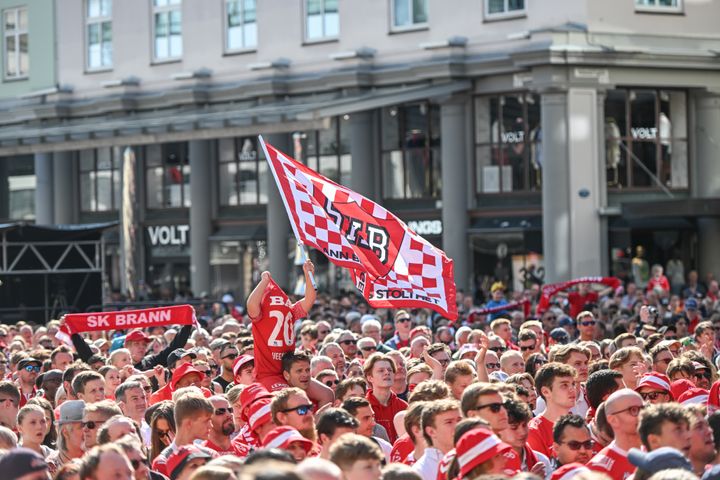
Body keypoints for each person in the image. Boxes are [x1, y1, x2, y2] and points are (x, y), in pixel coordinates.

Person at [152, 389, 214, 476]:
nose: (211, 425)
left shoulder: (211, 455)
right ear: (188, 423)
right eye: (206, 421)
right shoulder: (162, 462)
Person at [587, 388, 644, 479]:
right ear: (613, 420)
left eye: (643, 409)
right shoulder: (598, 469)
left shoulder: (656, 452)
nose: (642, 415)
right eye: (633, 410)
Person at [527, 363, 578, 459]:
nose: (572, 389)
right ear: (546, 392)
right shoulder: (534, 430)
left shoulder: (578, 423)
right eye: (564, 385)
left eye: (573, 384)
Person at [412, 399, 461, 479]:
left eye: (459, 420)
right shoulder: (420, 472)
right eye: (449, 422)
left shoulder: (472, 458)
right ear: (431, 432)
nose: (458, 426)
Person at [365, 353, 407, 443]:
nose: (387, 373)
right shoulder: (364, 407)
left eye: (390, 370)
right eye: (381, 371)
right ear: (370, 377)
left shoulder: (403, 406)